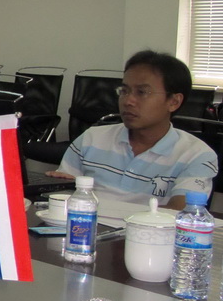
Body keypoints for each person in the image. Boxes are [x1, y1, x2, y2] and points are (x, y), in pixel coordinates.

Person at [48, 50, 218, 209]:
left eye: (142, 92)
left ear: (174, 102)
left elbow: (181, 214)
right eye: (124, 91)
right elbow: (62, 196)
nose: (128, 101)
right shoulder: (92, 138)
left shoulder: (197, 155)